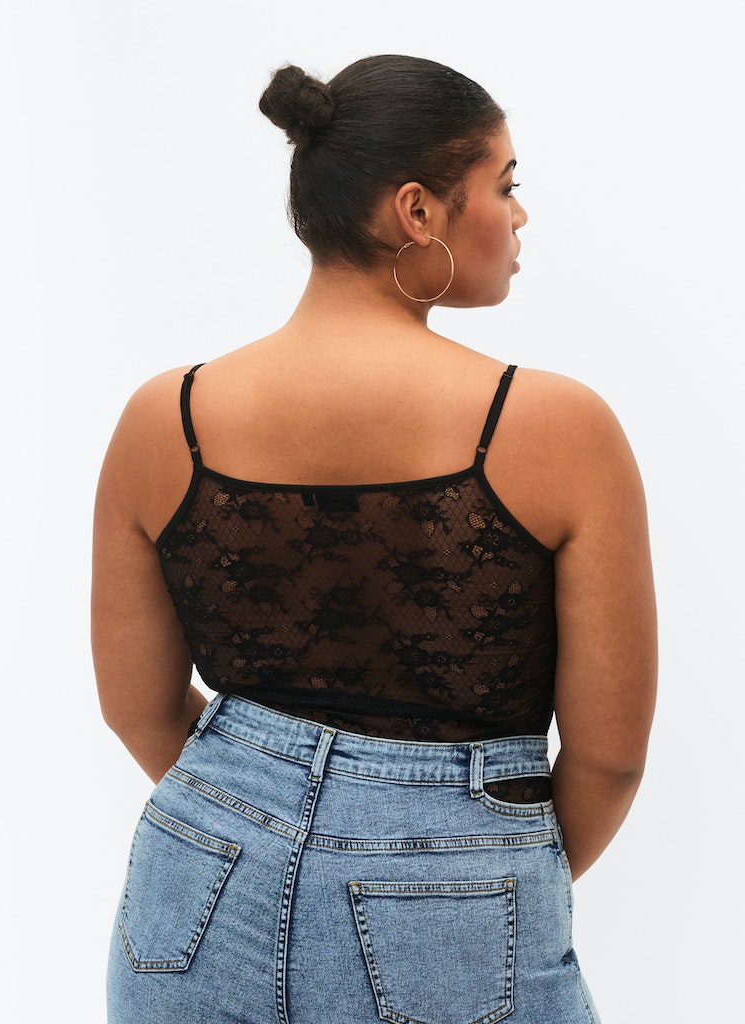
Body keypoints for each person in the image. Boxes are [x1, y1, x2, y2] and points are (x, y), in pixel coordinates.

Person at [92, 55, 657, 1024]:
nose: (519, 214)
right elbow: (608, 760)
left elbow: (136, 711)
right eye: (504, 185)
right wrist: (465, 873)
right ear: (416, 211)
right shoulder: (558, 430)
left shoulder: (164, 418)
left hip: (193, 881)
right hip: (458, 907)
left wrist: (269, 811)